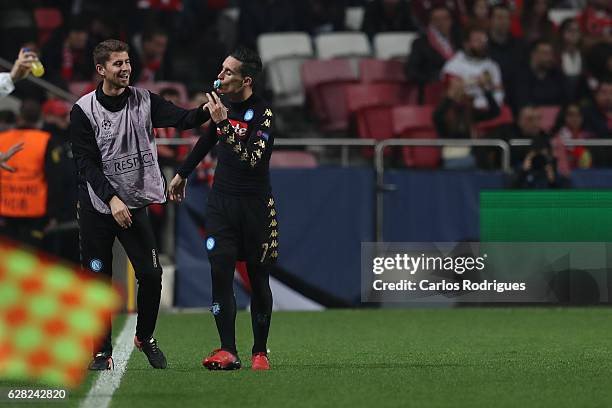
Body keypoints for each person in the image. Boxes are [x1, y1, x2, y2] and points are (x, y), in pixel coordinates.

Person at [69, 39, 211, 371]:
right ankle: (101, 352)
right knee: (97, 280)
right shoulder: (83, 110)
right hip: (97, 208)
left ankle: (144, 337)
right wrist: (111, 198)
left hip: (133, 206)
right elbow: (86, 165)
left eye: (128, 62)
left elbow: (185, 119)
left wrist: (210, 109)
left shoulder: (145, 100)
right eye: (117, 64)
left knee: (150, 273)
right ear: (101, 70)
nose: (126, 68)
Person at [168, 46, 277, 371]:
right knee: (219, 274)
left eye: (228, 72)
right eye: (221, 69)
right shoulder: (223, 108)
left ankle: (260, 352)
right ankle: (227, 349)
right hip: (221, 205)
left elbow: (252, 160)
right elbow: (207, 139)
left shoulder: (263, 114)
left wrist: (224, 124)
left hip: (256, 208)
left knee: (258, 280)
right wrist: (182, 174)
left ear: (245, 80)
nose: (220, 75)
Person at [0, 99, 64, 249]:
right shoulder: (46, 141)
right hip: (34, 213)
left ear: (19, 116)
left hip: (5, 211)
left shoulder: (2, 139)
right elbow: (55, 180)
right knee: (31, 259)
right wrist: (54, 214)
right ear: (40, 118)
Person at [442, 25, 505, 109]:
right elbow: (452, 92)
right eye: (477, 40)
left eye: (484, 40)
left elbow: (499, 90)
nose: (482, 44)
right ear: (466, 44)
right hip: (465, 110)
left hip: (491, 109)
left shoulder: (492, 65)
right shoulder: (454, 64)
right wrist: (477, 82)